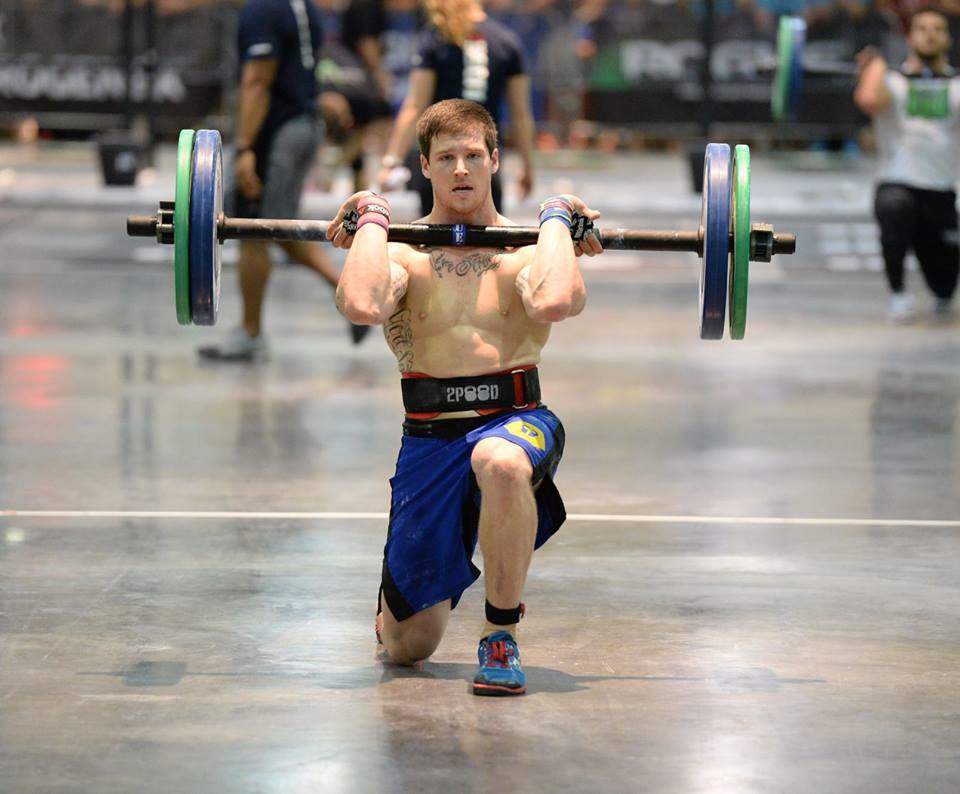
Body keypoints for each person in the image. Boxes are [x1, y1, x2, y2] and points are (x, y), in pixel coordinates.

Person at [326, 99, 602, 695]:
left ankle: (500, 634)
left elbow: (554, 301)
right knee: (407, 649)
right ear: (423, 166)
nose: (460, 170)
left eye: (473, 156)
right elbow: (362, 304)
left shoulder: (528, 248)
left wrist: (555, 218)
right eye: (445, 157)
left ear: (494, 160)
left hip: (518, 419)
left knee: (499, 462)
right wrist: (372, 216)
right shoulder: (402, 252)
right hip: (430, 435)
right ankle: (401, 606)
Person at [199, 0, 367, 362]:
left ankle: (251, 333)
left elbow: (258, 80)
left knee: (252, 228)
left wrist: (244, 147)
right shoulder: (301, 6)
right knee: (277, 228)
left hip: (276, 132)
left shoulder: (264, 8)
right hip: (300, 123)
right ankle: (348, 290)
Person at [376, 0, 536, 215]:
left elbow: (414, 105)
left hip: (442, 157)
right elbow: (520, 114)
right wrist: (527, 166)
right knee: (489, 240)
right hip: (482, 160)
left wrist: (391, 161)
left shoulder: (435, 39)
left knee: (434, 241)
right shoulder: (506, 41)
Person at [854, 6, 960, 323]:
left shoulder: (956, 88)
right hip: (897, 184)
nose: (929, 34)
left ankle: (940, 287)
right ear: (909, 38)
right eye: (921, 28)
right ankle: (898, 294)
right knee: (895, 207)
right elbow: (870, 100)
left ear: (948, 39)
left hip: (940, 195)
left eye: (937, 29)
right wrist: (873, 66)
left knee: (945, 287)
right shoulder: (891, 82)